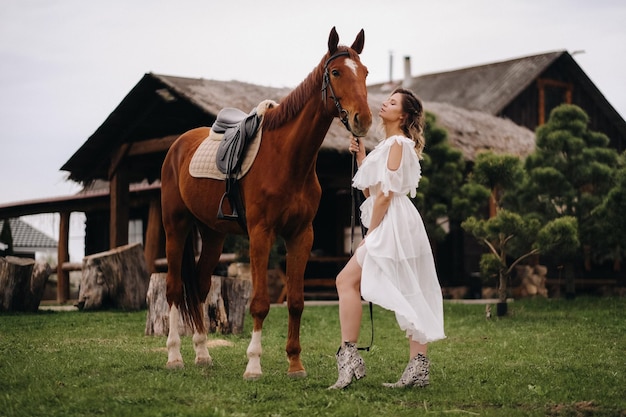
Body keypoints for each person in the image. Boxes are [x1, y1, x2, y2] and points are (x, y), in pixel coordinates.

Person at [329, 88, 445, 390]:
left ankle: (350, 357)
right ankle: (417, 367)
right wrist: (361, 155)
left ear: (403, 116)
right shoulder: (388, 145)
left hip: (393, 223)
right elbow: (370, 191)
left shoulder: (397, 143)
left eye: (393, 102)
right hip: (396, 221)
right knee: (408, 289)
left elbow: (384, 196)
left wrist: (370, 235)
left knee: (347, 281)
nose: (385, 103)